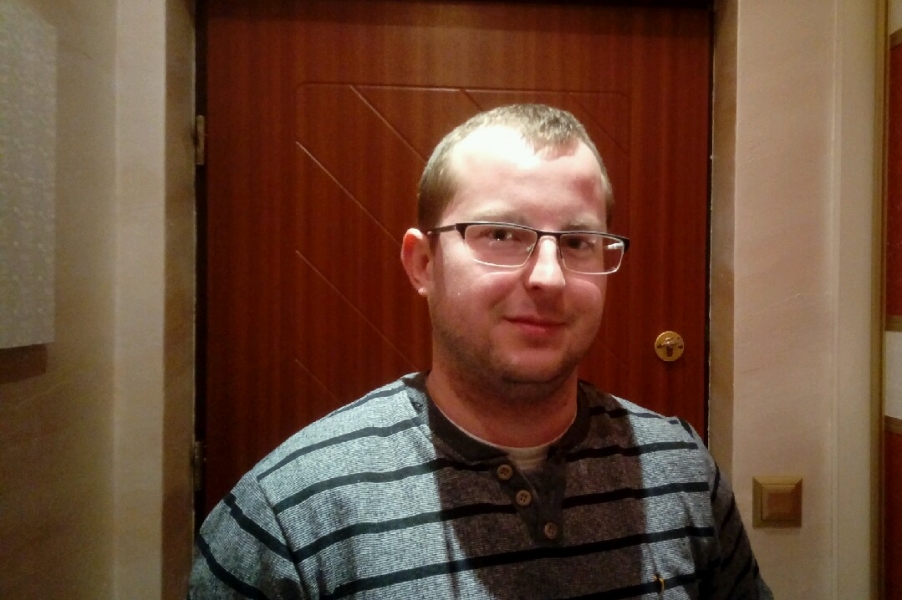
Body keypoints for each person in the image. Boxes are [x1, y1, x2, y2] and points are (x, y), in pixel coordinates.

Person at [189, 104, 772, 599]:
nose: (548, 277)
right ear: (423, 264)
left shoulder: (683, 471)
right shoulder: (288, 518)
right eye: (502, 235)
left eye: (577, 242)